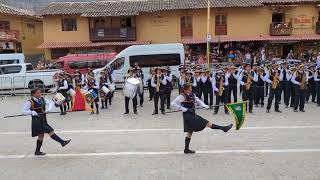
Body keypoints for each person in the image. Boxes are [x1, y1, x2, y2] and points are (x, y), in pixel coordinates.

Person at [171, 84, 233, 154]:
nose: (191, 88)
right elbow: (173, 104)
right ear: (186, 89)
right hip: (188, 116)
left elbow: (198, 100)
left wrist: (204, 105)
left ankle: (186, 149)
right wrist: (183, 109)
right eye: (190, 87)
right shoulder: (181, 96)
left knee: (190, 132)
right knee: (205, 122)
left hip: (192, 114)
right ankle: (223, 128)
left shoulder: (192, 94)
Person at [22, 88, 71, 156]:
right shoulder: (30, 102)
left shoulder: (42, 99)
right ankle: (62, 142)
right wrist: (32, 112)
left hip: (43, 119)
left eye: (40, 93)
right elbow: (23, 111)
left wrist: (48, 109)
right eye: (38, 93)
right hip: (37, 121)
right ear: (33, 94)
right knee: (50, 131)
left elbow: (50, 103)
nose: (40, 94)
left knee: (41, 136)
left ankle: (37, 151)